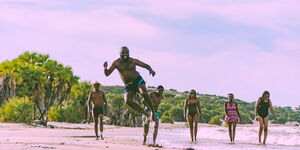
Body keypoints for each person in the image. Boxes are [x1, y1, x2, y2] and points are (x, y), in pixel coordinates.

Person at [103, 46, 156, 121]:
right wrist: (105, 68)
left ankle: (153, 111)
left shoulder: (133, 61)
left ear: (129, 53)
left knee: (143, 92)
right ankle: (146, 114)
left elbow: (146, 65)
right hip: (129, 84)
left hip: (137, 80)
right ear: (120, 54)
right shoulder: (116, 63)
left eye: (126, 53)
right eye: (123, 53)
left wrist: (151, 70)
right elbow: (107, 74)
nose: (125, 54)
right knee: (127, 100)